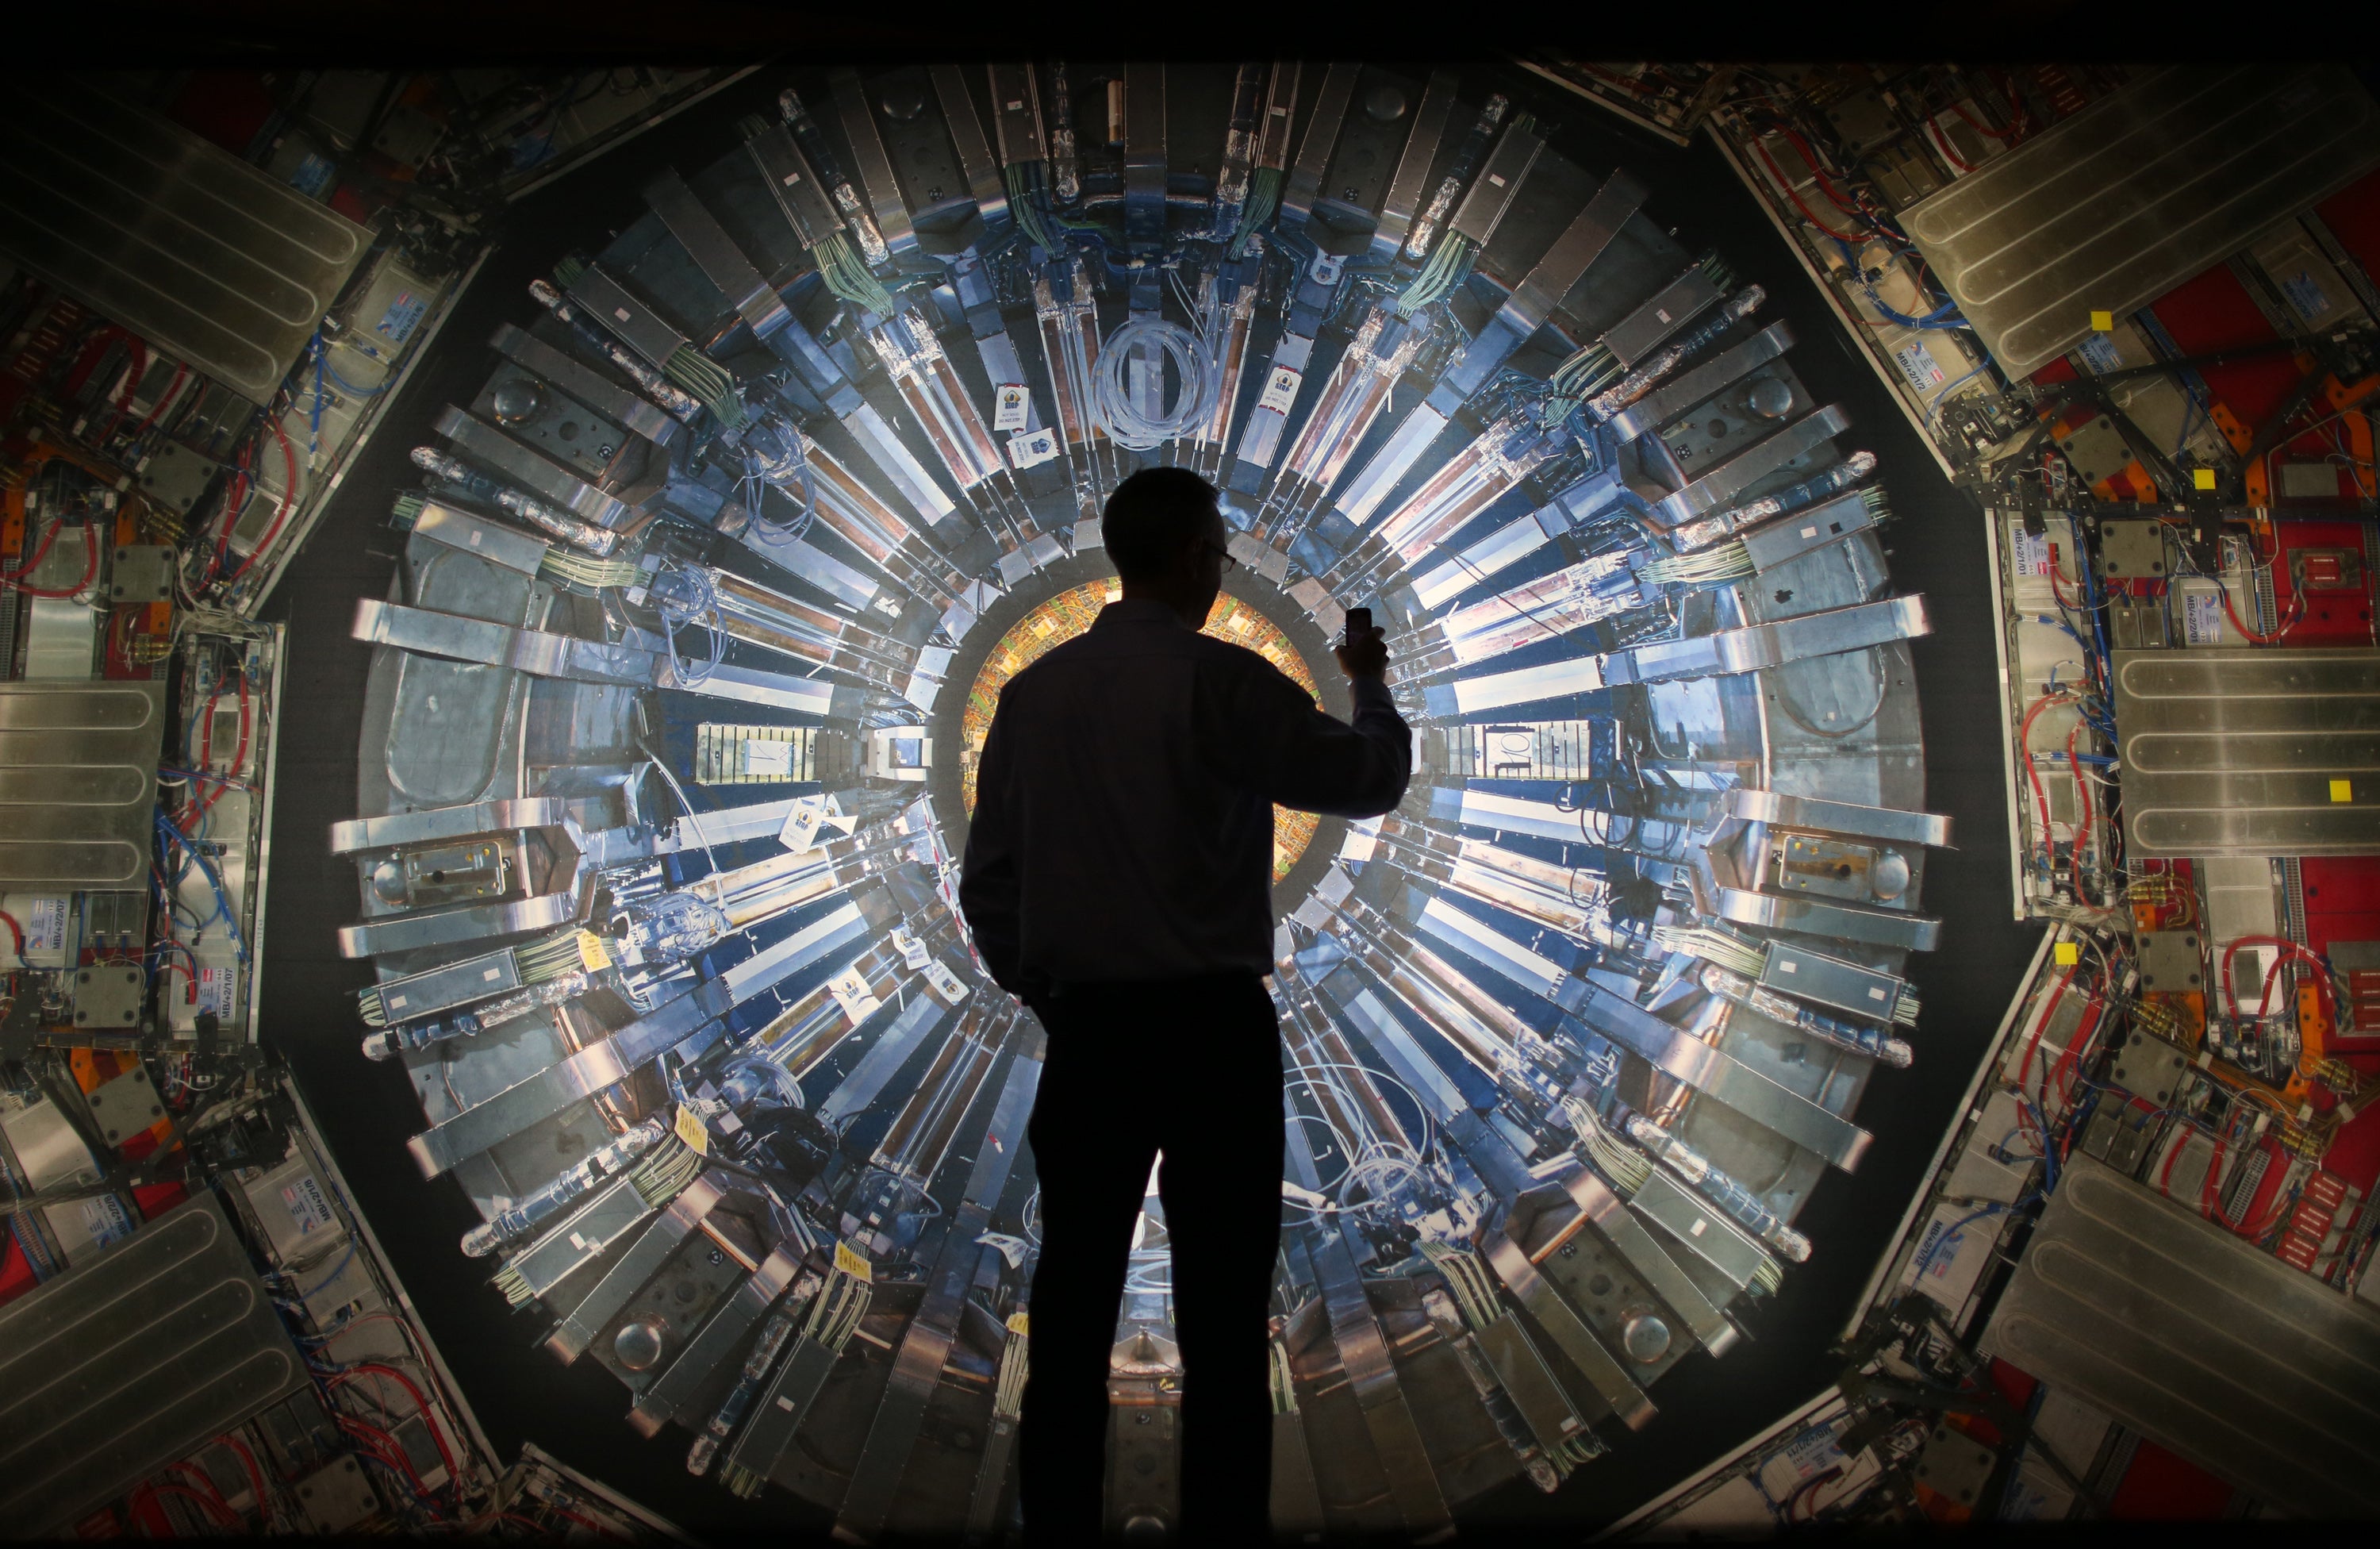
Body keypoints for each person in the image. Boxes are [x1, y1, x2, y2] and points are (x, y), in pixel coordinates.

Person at [959, 466, 1411, 1543]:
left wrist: (1051, 994)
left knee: (1069, 1315)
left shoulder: (1033, 698)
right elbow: (1370, 779)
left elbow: (988, 886)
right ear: (1201, 559)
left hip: (1095, 1035)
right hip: (1216, 1036)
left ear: (1123, 555)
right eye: (1219, 551)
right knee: (1221, 1324)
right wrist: (1370, 684)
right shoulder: (1229, 685)